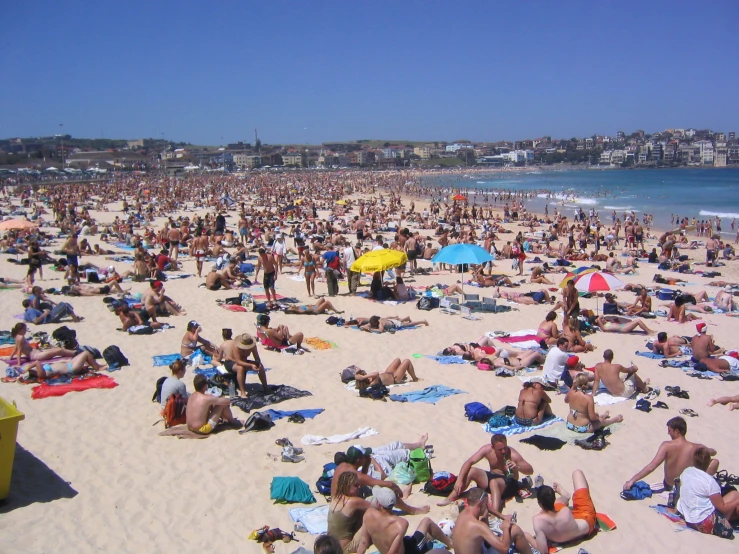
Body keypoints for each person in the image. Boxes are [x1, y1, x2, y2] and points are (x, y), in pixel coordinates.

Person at [439, 434, 533, 516]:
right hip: (492, 477)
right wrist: (459, 480)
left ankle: (495, 514)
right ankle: (450, 498)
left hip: (508, 483)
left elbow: (530, 470)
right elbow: (469, 462)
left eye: (505, 447)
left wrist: (518, 467)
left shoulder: (512, 454)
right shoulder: (487, 450)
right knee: (471, 471)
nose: (503, 451)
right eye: (500, 449)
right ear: (492, 447)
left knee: (493, 482)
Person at [623, 416, 718, 492]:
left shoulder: (666, 446)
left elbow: (652, 466)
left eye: (669, 430)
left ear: (677, 431)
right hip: (684, 488)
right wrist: (707, 451)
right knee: (715, 462)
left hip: (669, 486)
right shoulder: (695, 447)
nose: (668, 433)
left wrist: (632, 480)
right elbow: (713, 452)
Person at [331, 446, 429, 515]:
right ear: (358, 460)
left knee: (370, 487)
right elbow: (387, 484)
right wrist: (397, 489)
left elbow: (364, 479)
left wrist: (366, 465)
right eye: (365, 457)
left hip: (338, 504)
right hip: (345, 509)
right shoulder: (355, 475)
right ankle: (412, 510)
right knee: (388, 492)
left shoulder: (343, 466)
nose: (368, 457)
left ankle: (402, 498)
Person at [356, 487, 453, 554]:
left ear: (378, 504)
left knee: (420, 537)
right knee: (427, 521)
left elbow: (364, 543)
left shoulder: (368, 514)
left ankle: (434, 538)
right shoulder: (400, 523)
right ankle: (450, 543)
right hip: (410, 551)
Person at [528, 470, 598, 553]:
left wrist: (527, 536)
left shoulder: (538, 521)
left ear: (539, 503)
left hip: (573, 521)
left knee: (558, 505)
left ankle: (565, 496)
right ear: (553, 499)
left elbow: (543, 552)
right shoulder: (565, 511)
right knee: (577, 473)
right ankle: (565, 496)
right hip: (586, 520)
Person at [677, 447, 739, 538]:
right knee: (735, 495)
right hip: (702, 523)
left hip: (686, 515)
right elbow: (723, 508)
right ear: (709, 463)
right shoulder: (710, 482)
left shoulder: (687, 471)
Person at [452, 488, 536, 554]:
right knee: (515, 530)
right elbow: (504, 549)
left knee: (484, 516)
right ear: (480, 504)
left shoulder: (462, 514)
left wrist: (502, 516)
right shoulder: (478, 526)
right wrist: (505, 528)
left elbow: (485, 508)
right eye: (486, 503)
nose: (487, 506)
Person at [328, 472, 372, 553]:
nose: (359, 487)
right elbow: (377, 507)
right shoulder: (353, 502)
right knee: (372, 517)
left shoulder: (335, 497)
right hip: (346, 549)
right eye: (355, 485)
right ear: (347, 487)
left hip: (331, 546)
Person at [220, 332, 268, 397]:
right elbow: (238, 361)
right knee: (240, 368)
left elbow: (257, 358)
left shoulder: (253, 346)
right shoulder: (236, 347)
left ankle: (266, 388)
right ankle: (243, 392)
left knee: (260, 366)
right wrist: (251, 365)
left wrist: (257, 364)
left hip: (243, 361)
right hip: (231, 362)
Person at [10, 322, 77, 367]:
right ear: (20, 330)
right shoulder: (21, 337)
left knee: (57, 349)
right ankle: (76, 353)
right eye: (24, 329)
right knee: (59, 351)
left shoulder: (17, 337)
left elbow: (15, 348)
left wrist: (11, 358)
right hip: (35, 356)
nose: (25, 331)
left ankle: (75, 352)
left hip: (36, 353)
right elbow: (19, 351)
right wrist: (19, 364)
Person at [30, 349, 106, 379]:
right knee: (86, 353)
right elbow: (37, 362)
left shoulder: (39, 371)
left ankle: (97, 366)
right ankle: (97, 368)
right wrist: (27, 368)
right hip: (71, 368)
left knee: (83, 353)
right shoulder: (40, 374)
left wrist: (27, 369)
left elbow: (36, 365)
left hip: (69, 364)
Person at [352, 358, 420, 387]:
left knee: (397, 360)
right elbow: (376, 373)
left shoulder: (368, 378)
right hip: (394, 378)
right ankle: (415, 378)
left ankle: (402, 374)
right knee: (407, 361)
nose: (364, 374)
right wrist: (363, 377)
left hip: (388, 373)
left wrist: (357, 372)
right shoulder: (372, 383)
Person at [359, 315, 428, 334]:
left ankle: (422, 321)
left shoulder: (380, 324)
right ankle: (406, 317)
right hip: (391, 321)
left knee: (408, 325)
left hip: (395, 324)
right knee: (395, 320)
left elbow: (380, 330)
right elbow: (368, 325)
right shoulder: (378, 320)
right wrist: (363, 327)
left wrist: (371, 329)